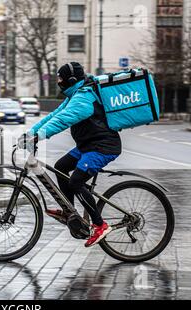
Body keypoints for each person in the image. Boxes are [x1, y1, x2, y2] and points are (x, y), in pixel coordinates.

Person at [21, 62, 121, 247]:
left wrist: (39, 136)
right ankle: (70, 211)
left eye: (60, 78)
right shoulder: (76, 94)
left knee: (76, 181)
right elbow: (54, 115)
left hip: (102, 147)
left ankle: (100, 225)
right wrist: (31, 133)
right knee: (61, 167)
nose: (58, 82)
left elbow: (63, 120)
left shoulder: (84, 98)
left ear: (71, 80)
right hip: (87, 145)